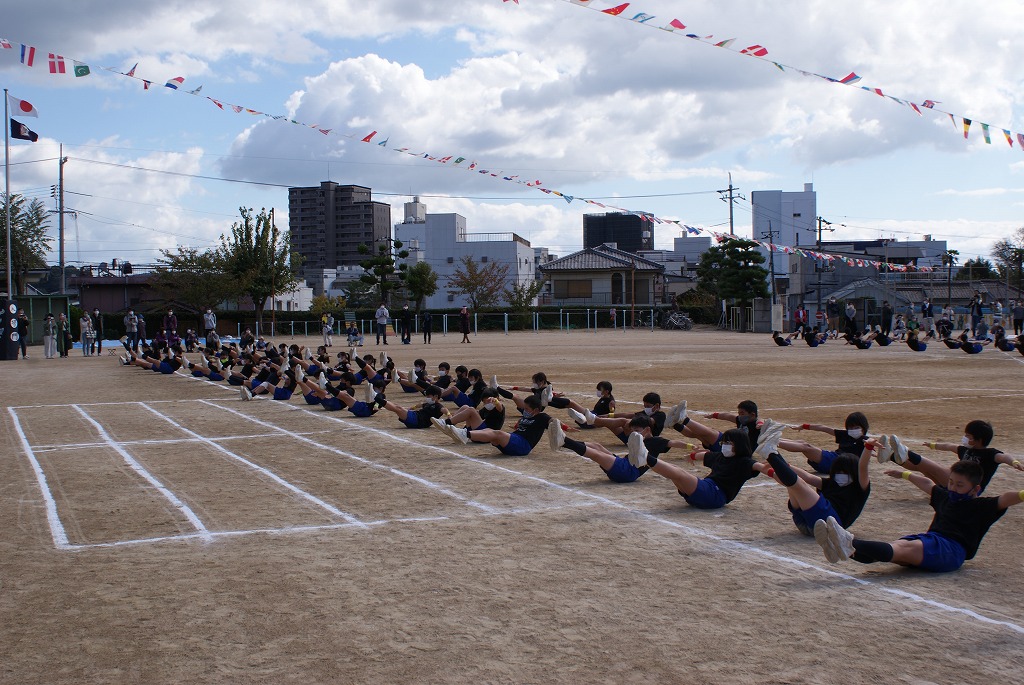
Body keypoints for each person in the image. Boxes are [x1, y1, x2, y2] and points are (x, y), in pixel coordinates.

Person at [813, 461, 1024, 572]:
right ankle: (844, 551)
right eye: (951, 482)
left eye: (960, 485)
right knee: (898, 550)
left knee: (903, 549)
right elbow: (928, 485)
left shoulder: (981, 506)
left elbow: (1006, 498)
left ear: (975, 488)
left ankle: (847, 541)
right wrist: (905, 474)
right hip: (931, 540)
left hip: (951, 550)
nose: (953, 487)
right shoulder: (946, 498)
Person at [632, 428, 770, 510]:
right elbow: (704, 455)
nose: (724, 445)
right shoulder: (721, 456)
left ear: (739, 445)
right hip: (705, 492)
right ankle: (644, 458)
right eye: (724, 442)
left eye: (728, 443)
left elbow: (758, 467)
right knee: (675, 471)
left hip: (716, 496)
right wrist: (692, 455)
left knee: (680, 474)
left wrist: (770, 467)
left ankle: (645, 457)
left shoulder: (745, 462)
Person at [877, 420, 1023, 494]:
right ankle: (890, 456)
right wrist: (933, 445)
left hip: (968, 489)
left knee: (933, 467)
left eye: (968, 436)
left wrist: (1014, 462)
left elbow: (1004, 457)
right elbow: (948, 446)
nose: (965, 438)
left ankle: (906, 452)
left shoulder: (990, 454)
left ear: (979, 439)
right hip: (951, 487)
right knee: (921, 467)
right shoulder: (966, 449)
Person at [437, 394, 554, 457]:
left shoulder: (542, 417)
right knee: (489, 430)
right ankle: (460, 432)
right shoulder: (527, 417)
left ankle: (464, 434)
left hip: (523, 446)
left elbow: (554, 423)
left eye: (527, 409)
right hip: (515, 440)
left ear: (536, 410)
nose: (524, 411)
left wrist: (566, 429)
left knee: (497, 433)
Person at [776, 411, 870, 474]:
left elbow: (871, 448)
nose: (853, 430)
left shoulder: (864, 440)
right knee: (802, 443)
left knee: (806, 447)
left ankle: (772, 441)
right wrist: (804, 426)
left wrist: (872, 448)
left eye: (857, 427)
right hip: (834, 460)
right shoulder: (846, 434)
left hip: (838, 464)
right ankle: (773, 439)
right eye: (850, 428)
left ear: (864, 428)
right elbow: (824, 428)